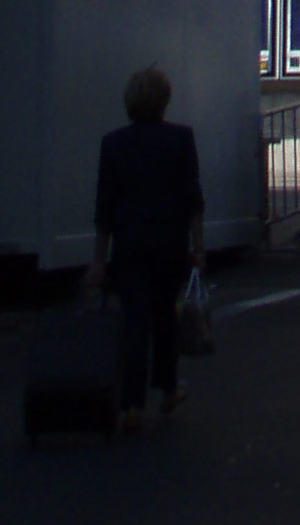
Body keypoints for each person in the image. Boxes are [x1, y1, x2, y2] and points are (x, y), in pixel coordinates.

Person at [89, 68, 205, 432]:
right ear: (164, 101)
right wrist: (198, 247)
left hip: (129, 242)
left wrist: (97, 261)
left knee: (135, 320)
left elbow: (104, 207)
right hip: (170, 240)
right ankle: (168, 389)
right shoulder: (181, 139)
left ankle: (131, 405)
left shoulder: (113, 144)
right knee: (165, 316)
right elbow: (192, 200)